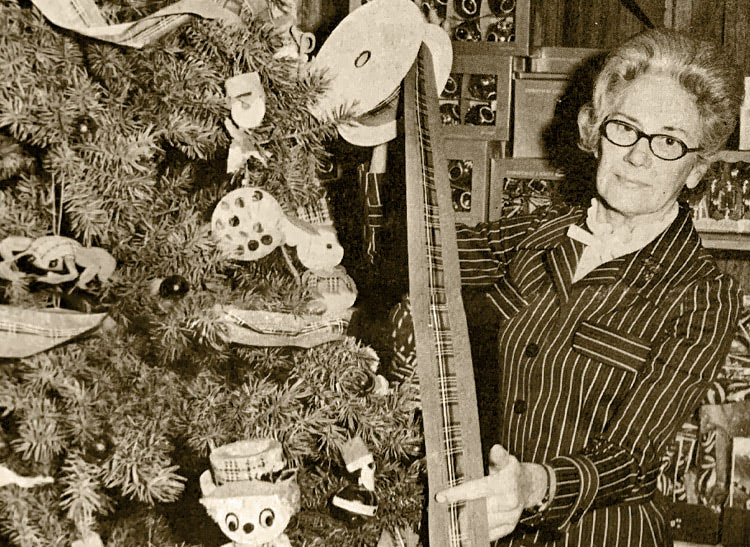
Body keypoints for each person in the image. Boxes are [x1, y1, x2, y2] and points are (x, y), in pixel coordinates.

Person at [389, 27, 745, 546]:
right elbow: (421, 255)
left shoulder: (701, 294)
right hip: (487, 527)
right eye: (625, 127)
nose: (639, 156)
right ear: (596, 133)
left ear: (695, 170)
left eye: (669, 141)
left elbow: (632, 457)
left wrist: (534, 485)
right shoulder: (537, 234)